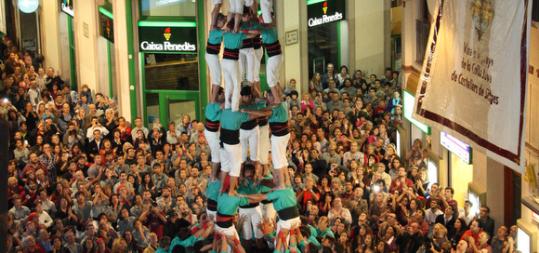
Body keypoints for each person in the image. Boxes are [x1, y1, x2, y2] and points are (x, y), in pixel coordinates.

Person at [222, 21, 245, 111]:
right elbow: (252, 36)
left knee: (228, 84)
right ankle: (234, 107)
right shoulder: (239, 35)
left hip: (224, 61)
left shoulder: (226, 34)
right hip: (232, 62)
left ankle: (227, 105)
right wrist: (245, 31)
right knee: (236, 84)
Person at [206, 13, 226, 93]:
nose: (224, 23)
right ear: (218, 21)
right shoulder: (214, 31)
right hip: (212, 56)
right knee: (217, 79)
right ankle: (214, 98)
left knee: (217, 78)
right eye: (223, 22)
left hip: (213, 55)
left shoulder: (215, 30)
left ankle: (215, 96)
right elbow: (226, 32)